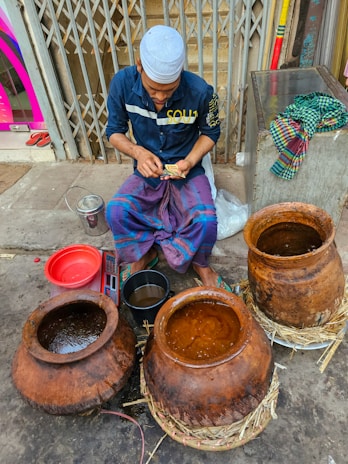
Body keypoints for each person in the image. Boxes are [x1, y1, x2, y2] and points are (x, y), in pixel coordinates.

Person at [105, 24, 231, 291]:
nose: (161, 97)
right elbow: (114, 132)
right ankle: (143, 255)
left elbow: (211, 132)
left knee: (206, 221)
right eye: (153, 90)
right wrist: (138, 153)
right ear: (139, 66)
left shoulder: (201, 91)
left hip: (187, 168)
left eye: (169, 90)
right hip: (148, 170)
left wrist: (190, 160)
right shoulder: (122, 84)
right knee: (117, 211)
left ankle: (201, 264)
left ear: (180, 75)